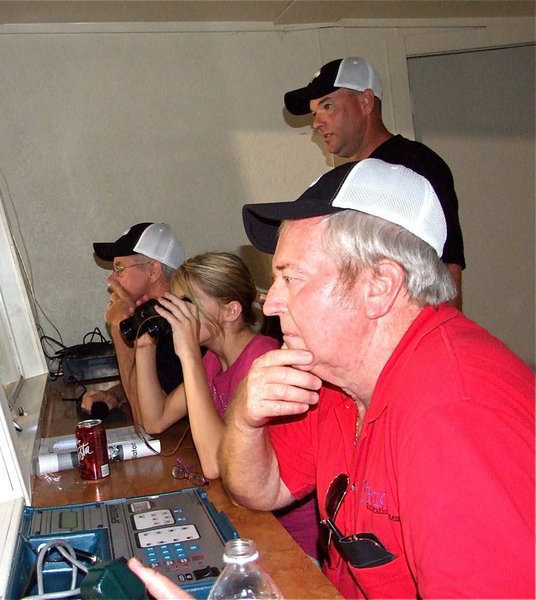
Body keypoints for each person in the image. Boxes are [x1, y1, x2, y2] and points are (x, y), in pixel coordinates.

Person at [219, 158, 534, 598]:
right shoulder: (339, 377)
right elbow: (259, 489)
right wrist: (244, 420)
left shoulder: (456, 418)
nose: (270, 305)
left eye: (291, 278)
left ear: (379, 286)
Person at [131, 252, 318, 559]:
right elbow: (155, 420)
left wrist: (188, 354)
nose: (178, 315)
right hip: (251, 523)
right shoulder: (213, 361)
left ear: (231, 310)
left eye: (187, 304)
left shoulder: (262, 362)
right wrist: (144, 347)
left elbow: (216, 465)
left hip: (290, 543)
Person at [283, 56, 465, 308]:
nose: (316, 122)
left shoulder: (416, 165)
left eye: (327, 106)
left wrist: (446, 339)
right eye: (315, 113)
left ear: (366, 101)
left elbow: (447, 264)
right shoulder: (341, 180)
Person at [81, 222, 186, 421]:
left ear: (153, 271)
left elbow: (145, 419)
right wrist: (115, 395)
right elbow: (156, 385)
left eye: (119, 268)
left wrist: (118, 327)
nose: (112, 279)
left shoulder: (177, 327)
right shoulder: (156, 316)